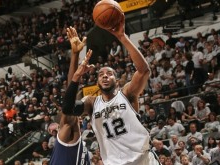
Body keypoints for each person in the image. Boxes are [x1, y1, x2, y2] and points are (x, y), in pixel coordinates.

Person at [62, 14, 158, 164]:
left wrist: (122, 36)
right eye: (101, 74)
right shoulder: (92, 103)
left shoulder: (127, 94)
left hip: (143, 160)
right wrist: (75, 60)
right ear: (97, 82)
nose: (105, 76)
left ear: (117, 81)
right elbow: (68, 107)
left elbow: (144, 70)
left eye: (109, 74)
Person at [49, 26, 91, 165]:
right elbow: (70, 96)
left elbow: (70, 98)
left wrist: (75, 55)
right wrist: (75, 56)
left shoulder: (70, 135)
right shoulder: (68, 133)